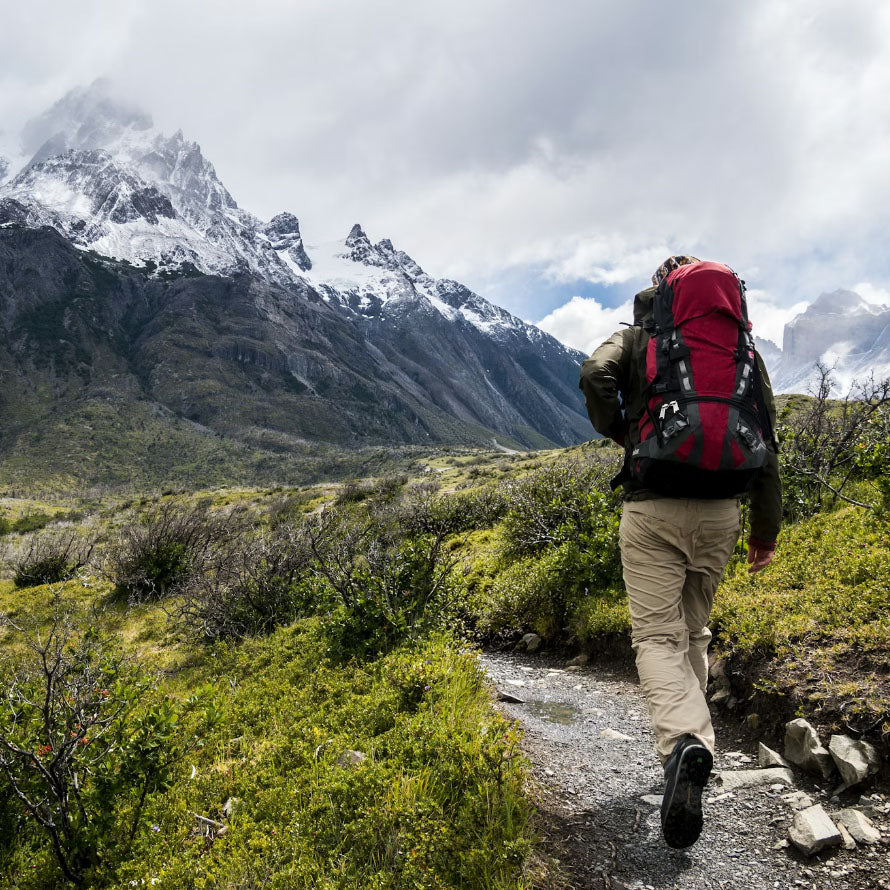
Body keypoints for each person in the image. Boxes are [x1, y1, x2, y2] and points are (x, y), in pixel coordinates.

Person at [578, 255, 782, 849]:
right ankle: (692, 751)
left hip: (654, 507)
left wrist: (621, 430)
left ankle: (683, 745)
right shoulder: (743, 352)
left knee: (656, 638)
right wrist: (764, 532)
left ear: (662, 291)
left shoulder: (642, 337)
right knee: (693, 632)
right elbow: (767, 440)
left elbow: (594, 375)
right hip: (722, 512)